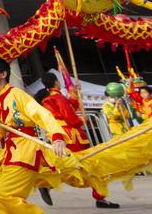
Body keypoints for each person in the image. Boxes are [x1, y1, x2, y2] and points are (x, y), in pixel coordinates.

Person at [0, 58, 68, 214]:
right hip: (10, 152)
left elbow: (41, 114)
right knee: (1, 194)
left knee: (6, 195)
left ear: (3, 74)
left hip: (25, 149)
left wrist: (57, 136)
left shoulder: (17, 94)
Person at [38, 73, 119, 208]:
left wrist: (76, 92)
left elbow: (71, 105)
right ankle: (47, 183)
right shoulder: (57, 97)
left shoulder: (51, 98)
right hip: (71, 136)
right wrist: (82, 120)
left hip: (63, 135)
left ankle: (47, 183)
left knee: (72, 165)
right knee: (87, 165)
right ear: (56, 82)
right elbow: (70, 116)